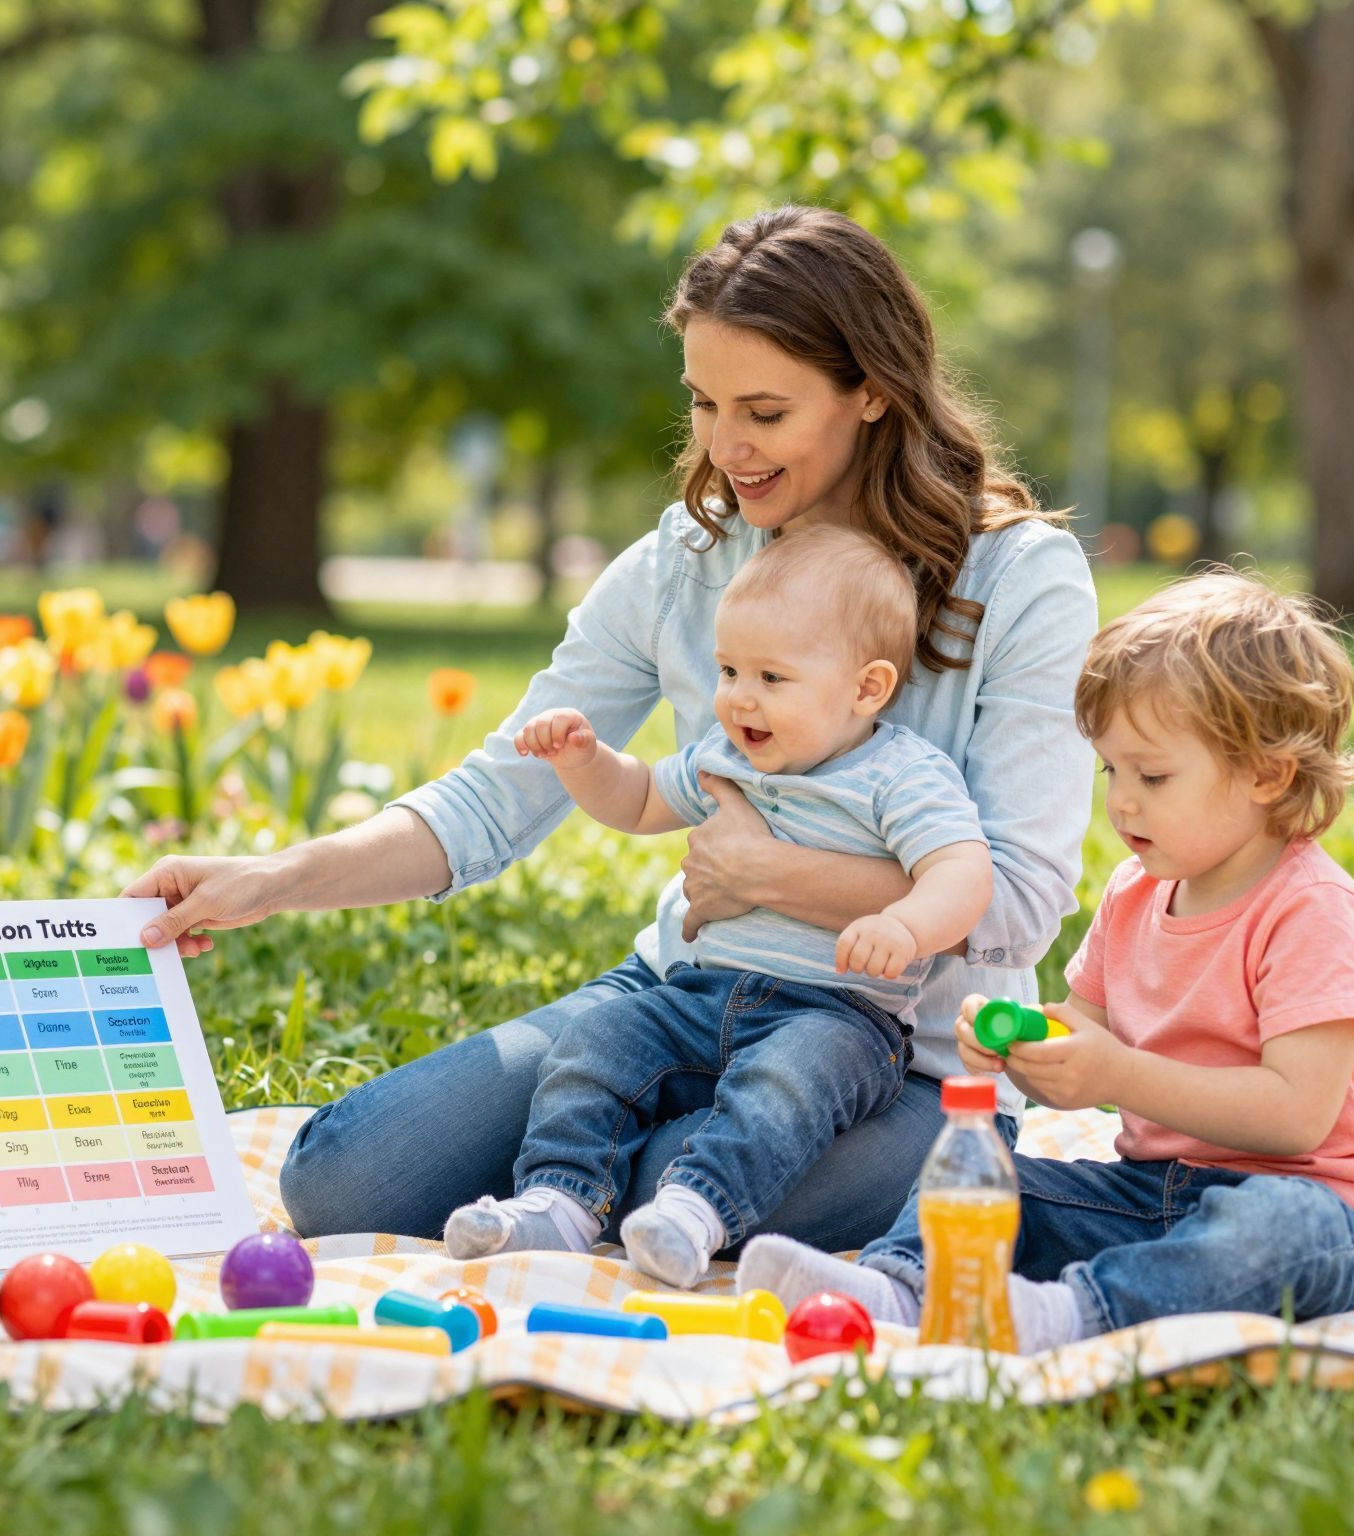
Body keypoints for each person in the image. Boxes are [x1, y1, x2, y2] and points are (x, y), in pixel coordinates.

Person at [123, 205, 1099, 1250]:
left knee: (661, 1186)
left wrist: (764, 874)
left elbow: (1020, 903)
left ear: (870, 390)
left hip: (904, 1057)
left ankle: (611, 1185)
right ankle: (598, 1175)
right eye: (704, 403)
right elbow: (497, 796)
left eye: (764, 412)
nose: (726, 449)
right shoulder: (687, 559)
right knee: (341, 1183)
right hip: (683, 999)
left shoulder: (1017, 578)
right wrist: (272, 879)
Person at [739, 572, 1354, 1349]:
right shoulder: (1135, 892)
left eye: (1152, 776)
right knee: (1000, 1180)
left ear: (1268, 774)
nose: (1122, 802)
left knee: (1270, 1230)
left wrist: (1117, 1074)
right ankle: (902, 1286)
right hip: (1154, 1191)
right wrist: (1019, 1041)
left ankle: (1077, 1314)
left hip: (1319, 1211)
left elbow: (1297, 1115)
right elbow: (1077, 1033)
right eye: (1112, 772)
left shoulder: (1311, 911)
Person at [445, 526, 992, 1285]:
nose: (738, 696)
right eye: (730, 668)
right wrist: (585, 761)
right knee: (598, 1042)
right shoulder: (725, 754)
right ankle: (559, 1203)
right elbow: (638, 801)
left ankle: (693, 1214)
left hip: (836, 1016)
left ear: (867, 689)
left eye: (772, 677)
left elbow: (963, 870)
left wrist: (904, 924)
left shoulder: (900, 775)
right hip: (702, 992)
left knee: (783, 1089)